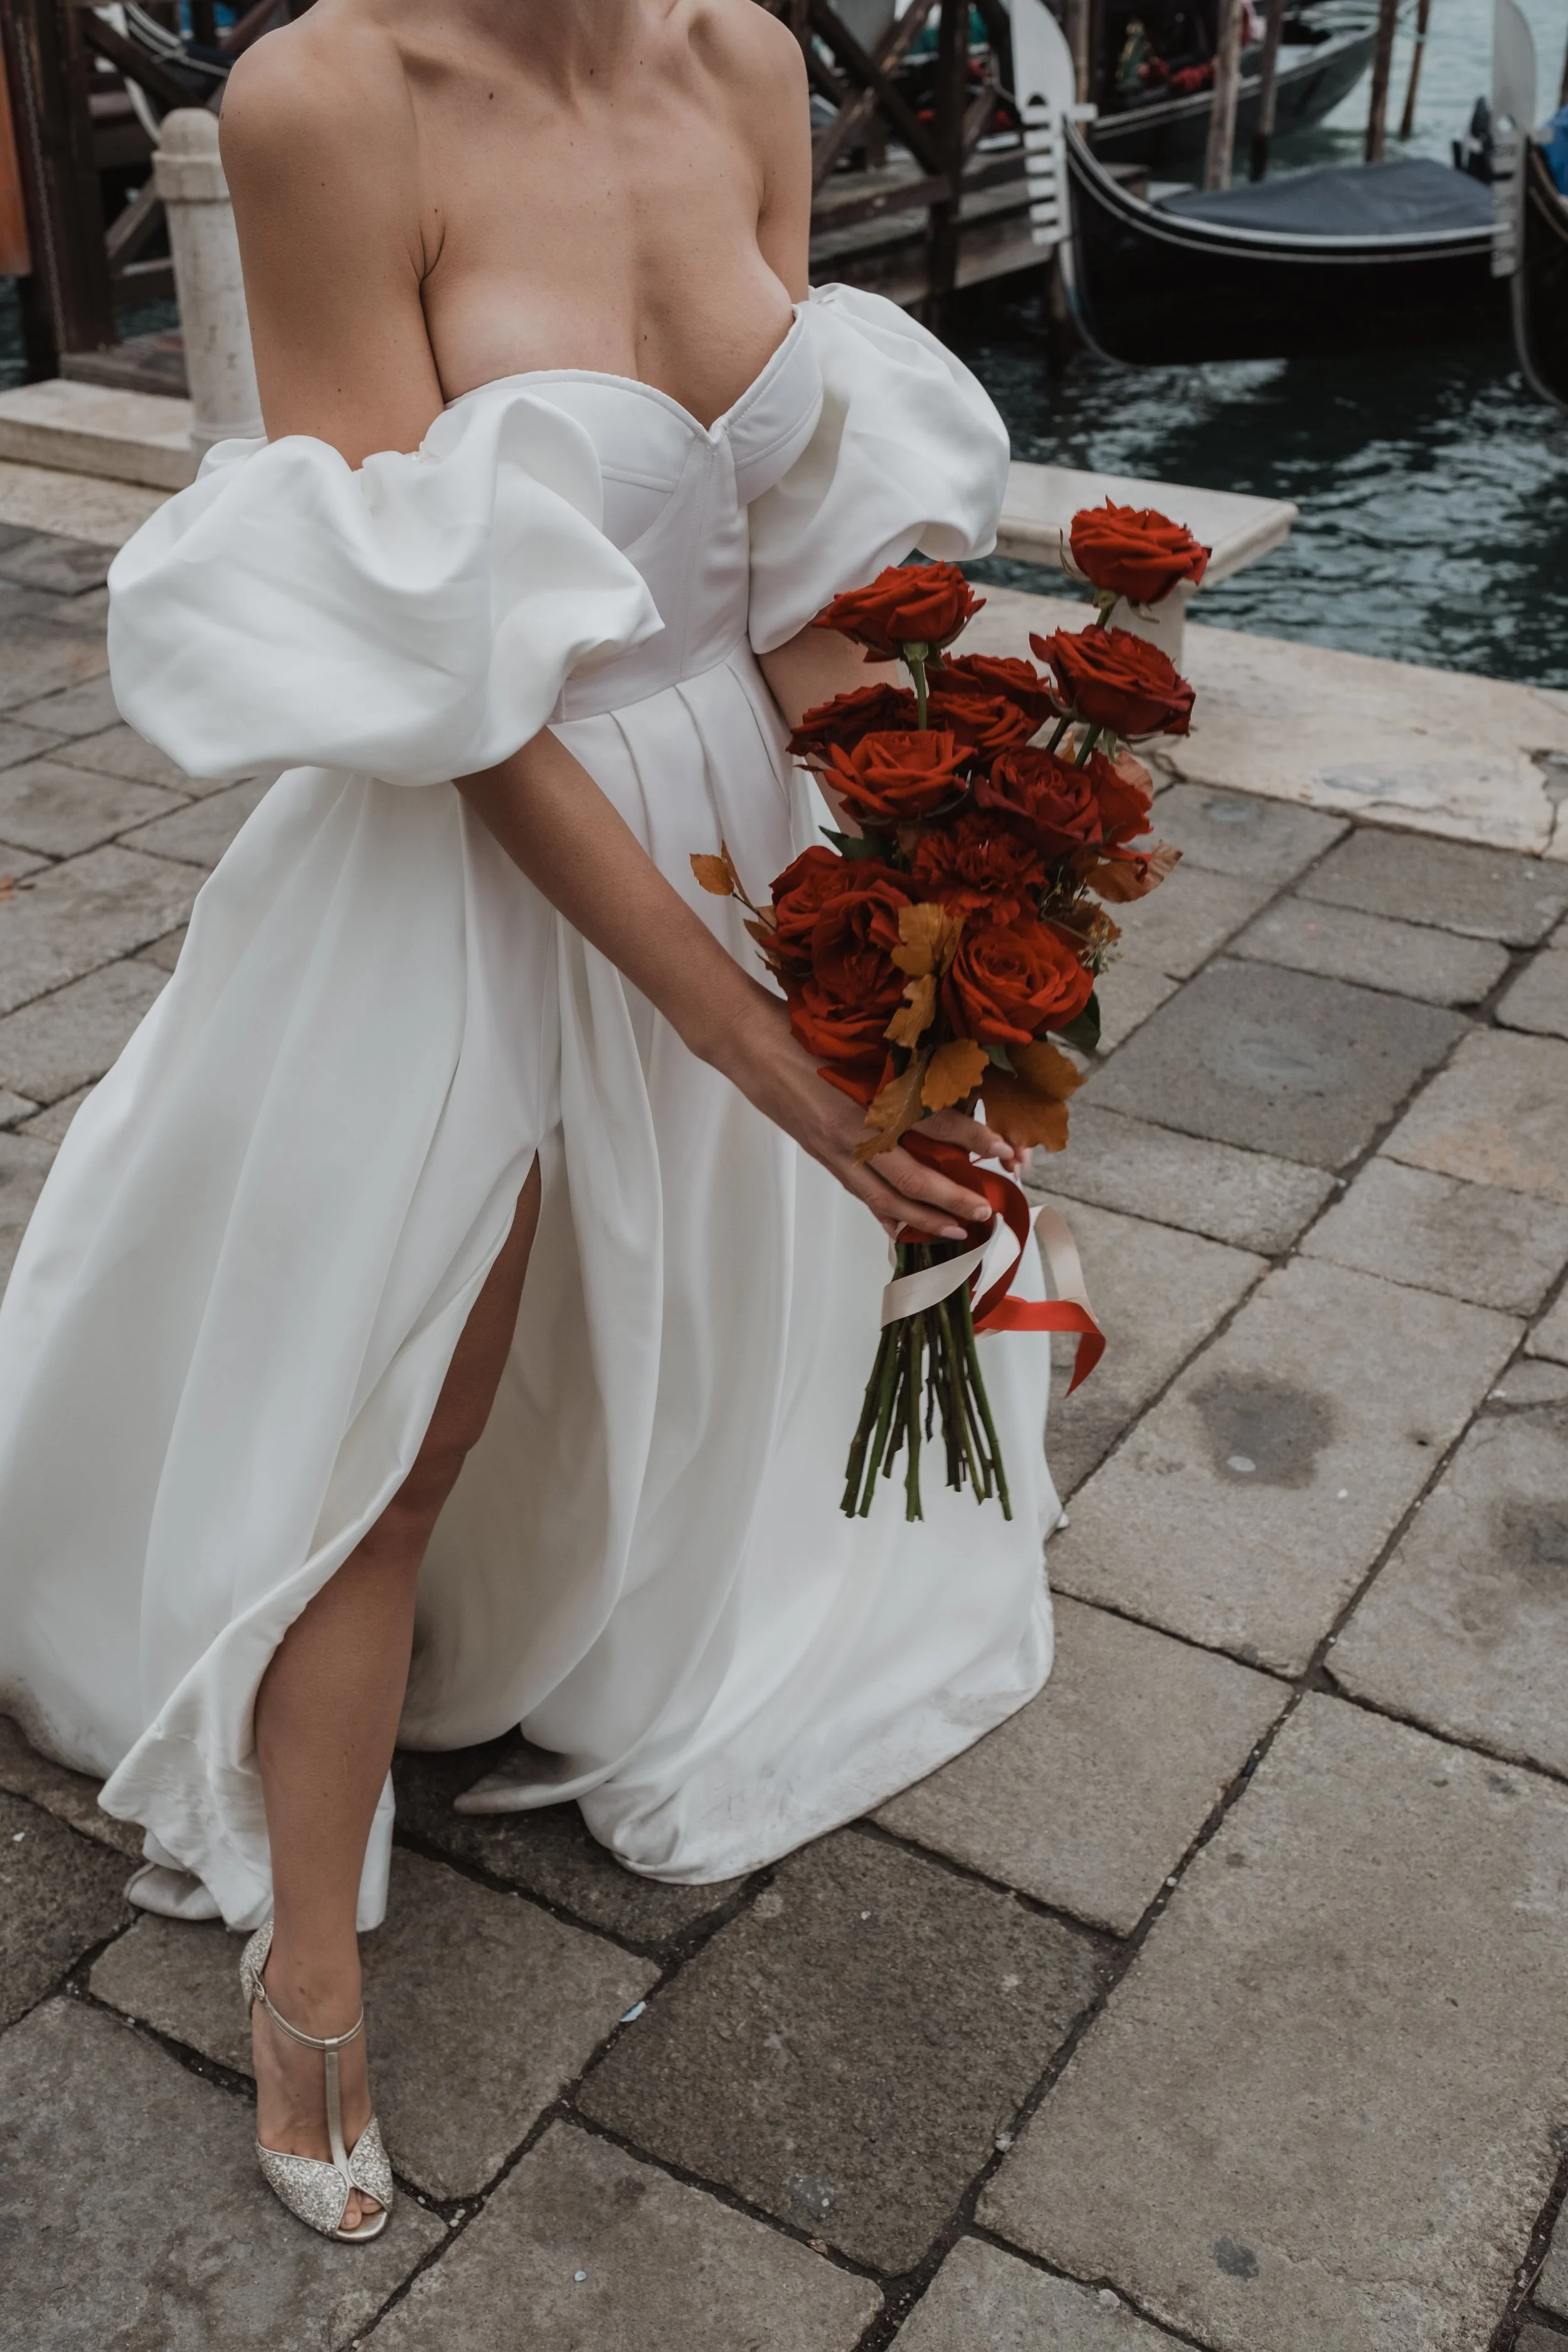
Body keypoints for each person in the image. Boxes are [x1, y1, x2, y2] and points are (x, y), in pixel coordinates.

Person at [0, 0, 1059, 2243]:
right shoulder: (329, 103)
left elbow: (796, 593)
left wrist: (931, 905)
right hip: (473, 852)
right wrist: (748, 1046)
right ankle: (306, 1973)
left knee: (740, 1288)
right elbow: (454, 693)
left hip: (729, 815)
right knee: (402, 1411)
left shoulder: (749, 60)